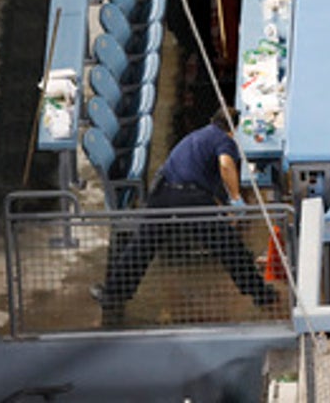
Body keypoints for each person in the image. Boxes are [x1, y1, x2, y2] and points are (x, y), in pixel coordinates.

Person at [92, 109, 279, 325]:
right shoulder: (224, 140)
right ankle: (260, 294)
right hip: (190, 196)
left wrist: (223, 205)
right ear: (233, 129)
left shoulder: (198, 136)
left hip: (163, 191)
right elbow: (226, 165)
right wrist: (236, 198)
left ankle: (113, 294)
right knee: (229, 247)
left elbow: (202, 176)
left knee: (142, 246)